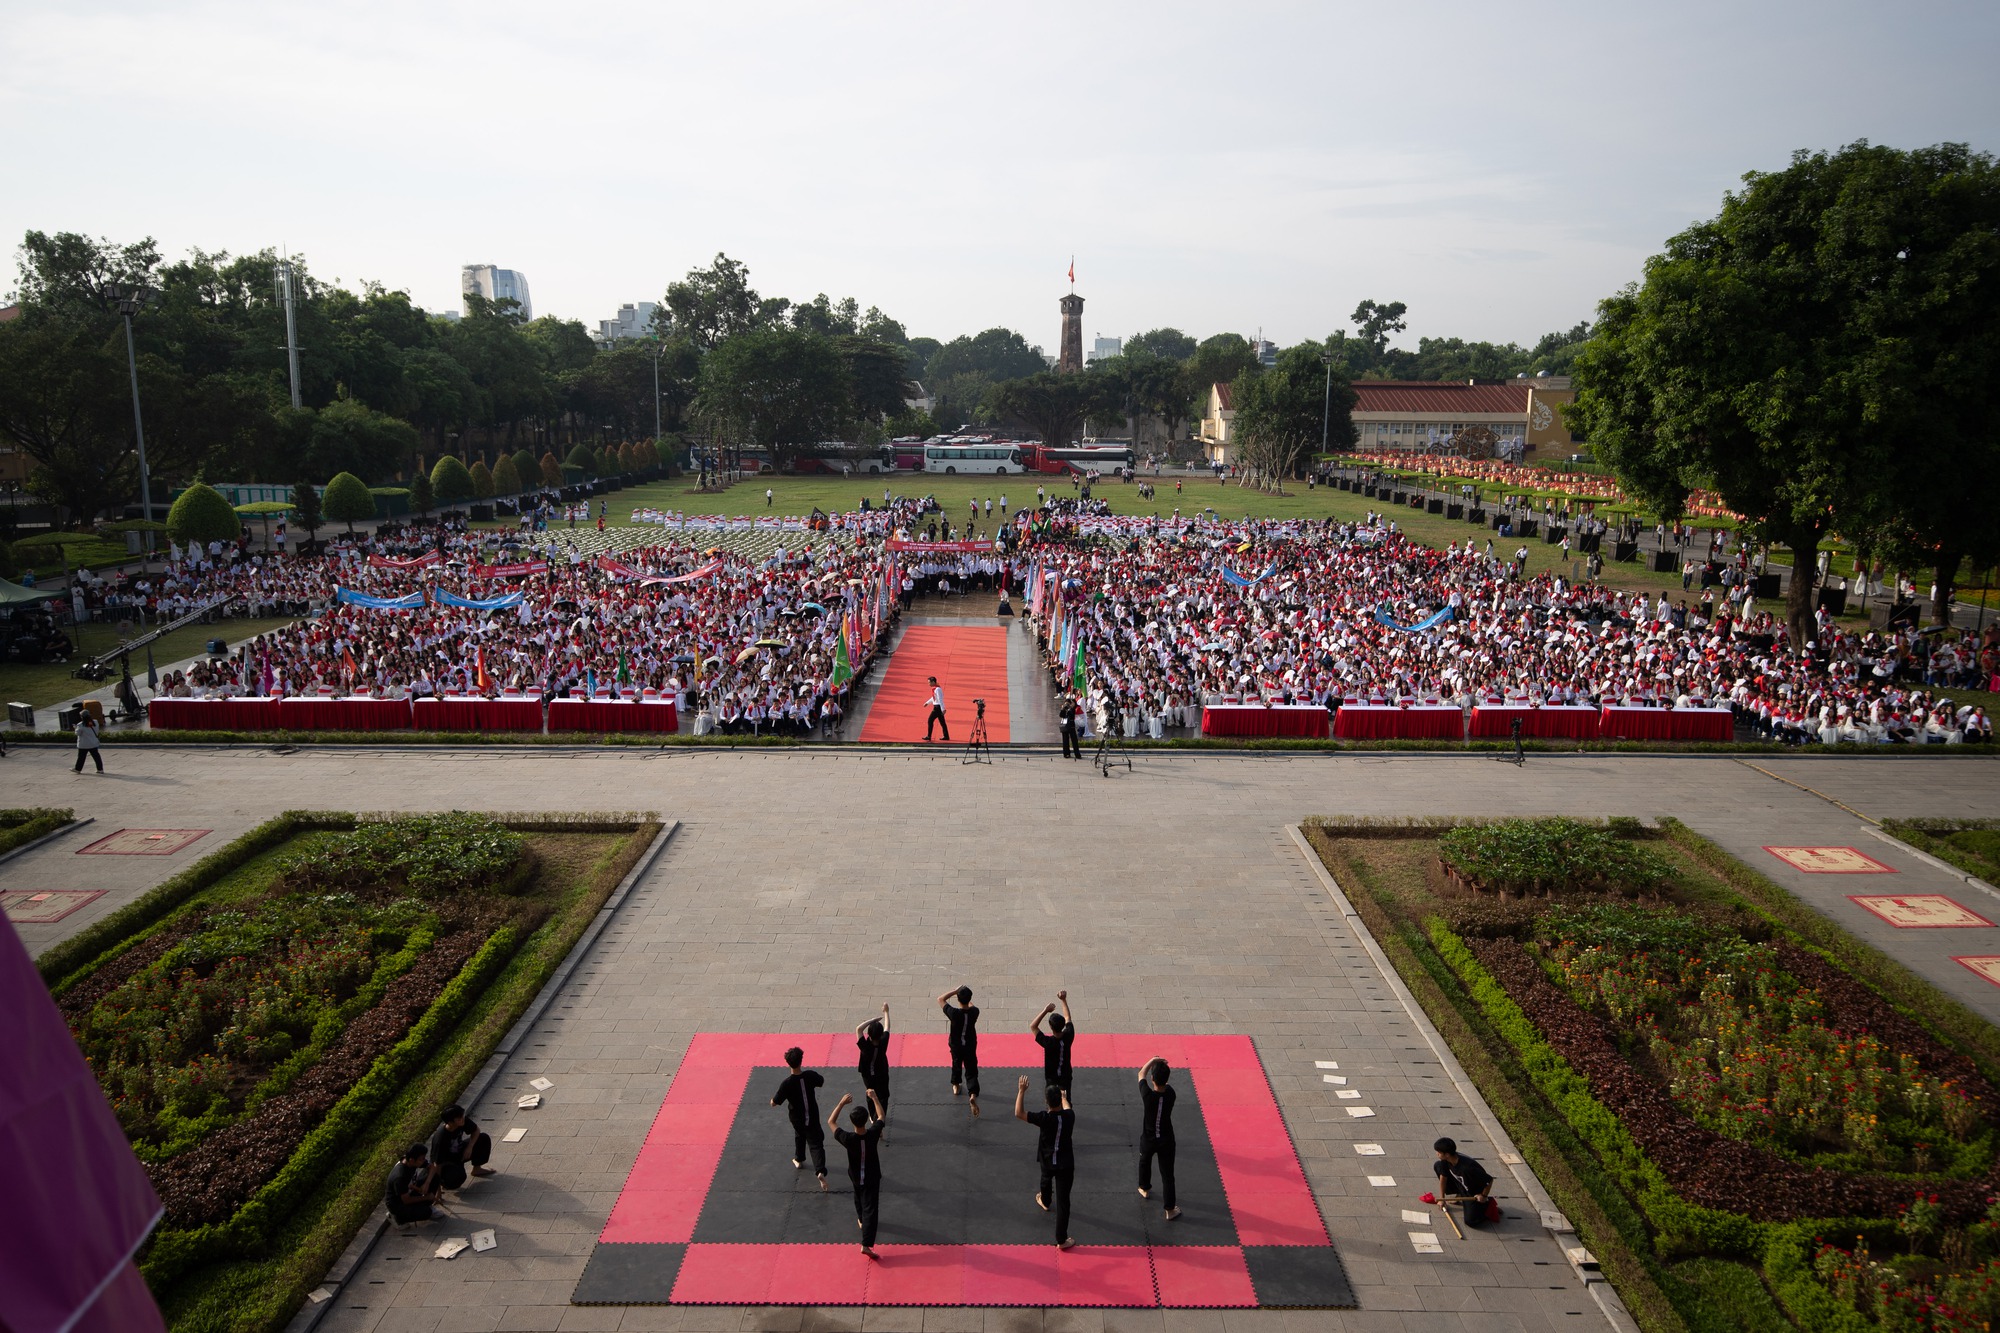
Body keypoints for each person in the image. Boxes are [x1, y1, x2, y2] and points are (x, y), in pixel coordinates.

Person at [1015, 1076, 1077, 1249]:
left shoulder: (1044, 1118)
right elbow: (1067, 1107)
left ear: (1046, 1102)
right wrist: (1064, 1098)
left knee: (1045, 1178)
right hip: (1065, 1164)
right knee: (1064, 1202)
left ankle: (1045, 1200)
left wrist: (1021, 1091)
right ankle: (1061, 1239)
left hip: (1047, 1160)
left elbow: (1018, 1113)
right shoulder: (1069, 1116)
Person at [830, 1090, 886, 1257]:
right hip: (871, 1176)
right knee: (871, 1209)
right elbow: (881, 1116)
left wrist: (841, 1103)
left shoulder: (847, 1138)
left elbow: (831, 1121)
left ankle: (861, 1219)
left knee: (858, 1195)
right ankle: (866, 1244)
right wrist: (875, 1098)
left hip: (855, 1176)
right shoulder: (873, 1133)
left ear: (852, 1122)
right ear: (865, 1120)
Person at [771, 1046, 830, 1189]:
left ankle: (799, 1158)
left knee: (800, 1134)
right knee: (816, 1144)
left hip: (797, 1118)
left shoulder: (786, 1084)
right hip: (812, 1116)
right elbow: (821, 1081)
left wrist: (772, 1101)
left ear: (788, 1063)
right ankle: (820, 1170)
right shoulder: (809, 1076)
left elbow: (775, 1102)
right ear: (801, 1061)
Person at [1137, 1058, 1179, 1220]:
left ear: (1152, 1079)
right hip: (1166, 1140)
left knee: (1144, 1162)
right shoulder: (1171, 1094)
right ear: (1166, 1080)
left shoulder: (1147, 1095)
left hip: (1148, 1139)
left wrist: (1153, 1060)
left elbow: (1141, 1073)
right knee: (1168, 1175)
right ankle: (1170, 1209)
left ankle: (1144, 1188)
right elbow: (1163, 1084)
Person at [1432, 1136, 1498, 1228]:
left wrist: (1483, 1196)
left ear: (1447, 1154)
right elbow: (1443, 1177)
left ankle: (1486, 1205)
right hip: (1462, 1184)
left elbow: (1489, 1180)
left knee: (1471, 1221)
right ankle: (1459, 1194)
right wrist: (1442, 1199)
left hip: (1472, 1192)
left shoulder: (1467, 1167)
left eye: (1439, 1152)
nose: (1437, 1154)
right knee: (1438, 1166)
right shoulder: (1445, 1160)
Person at [427, 1105, 495, 1191]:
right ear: (450, 1122)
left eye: (462, 1116)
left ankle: (477, 1169)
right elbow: (437, 1164)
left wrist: (469, 1147)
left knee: (483, 1138)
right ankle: (444, 1183)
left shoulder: (461, 1120)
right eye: (459, 1119)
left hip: (460, 1152)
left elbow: (476, 1130)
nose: (462, 1119)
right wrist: (437, 1191)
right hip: (447, 1162)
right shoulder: (440, 1138)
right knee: (458, 1177)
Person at [938, 985, 981, 1116]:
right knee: (971, 1069)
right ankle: (972, 1093)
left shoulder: (954, 1013)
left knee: (956, 1064)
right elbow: (972, 1006)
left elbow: (941, 999)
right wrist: (966, 999)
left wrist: (955, 991)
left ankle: (956, 1086)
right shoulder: (975, 1012)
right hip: (970, 1046)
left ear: (958, 999)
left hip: (956, 1046)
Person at [1031, 991, 1076, 1094]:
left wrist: (1045, 1010)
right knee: (1066, 1101)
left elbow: (1033, 1026)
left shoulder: (1048, 1042)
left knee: (1052, 1101)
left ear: (1051, 1027)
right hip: (1065, 1076)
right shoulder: (1069, 1035)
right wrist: (1063, 1000)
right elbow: (1068, 1017)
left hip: (1051, 1079)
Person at [385, 1142, 439, 1225]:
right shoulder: (400, 1176)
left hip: (410, 1190)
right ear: (412, 1160)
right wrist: (427, 1197)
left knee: (434, 1176)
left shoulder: (412, 1162)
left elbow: (433, 1167)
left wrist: (426, 1183)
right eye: (422, 1159)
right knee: (426, 1212)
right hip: (399, 1203)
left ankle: (425, 1205)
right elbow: (406, 1200)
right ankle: (397, 1218)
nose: (424, 1161)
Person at [856, 1003, 892, 1125]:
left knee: (870, 1094)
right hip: (881, 1073)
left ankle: (872, 1116)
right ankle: (880, 1119)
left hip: (867, 1075)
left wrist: (872, 1020)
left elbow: (859, 1029)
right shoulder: (883, 1042)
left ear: (869, 1035)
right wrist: (886, 1011)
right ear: (881, 1034)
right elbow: (887, 1027)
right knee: (883, 1096)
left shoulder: (865, 1047)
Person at [925, 676, 950, 741]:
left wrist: (943, 709)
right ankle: (946, 736)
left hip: (937, 708)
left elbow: (940, 699)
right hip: (937, 707)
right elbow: (934, 698)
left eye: (929, 682)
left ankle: (929, 736)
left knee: (930, 720)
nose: (929, 684)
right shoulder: (936, 689)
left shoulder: (938, 689)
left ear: (933, 682)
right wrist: (927, 703)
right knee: (942, 722)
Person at [1059, 694, 1081, 759]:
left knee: (1074, 740)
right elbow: (1061, 715)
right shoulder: (1064, 709)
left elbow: (1071, 715)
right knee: (1065, 740)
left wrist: (1069, 709)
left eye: (1068, 704)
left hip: (1071, 726)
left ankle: (1077, 754)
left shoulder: (1072, 709)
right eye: (1066, 703)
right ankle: (1066, 753)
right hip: (1065, 726)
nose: (1067, 705)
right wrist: (1063, 709)